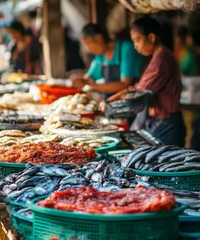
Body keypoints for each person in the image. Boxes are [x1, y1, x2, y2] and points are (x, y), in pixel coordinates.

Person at [108, 17, 186, 147]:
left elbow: (140, 91)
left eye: (138, 40)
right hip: (160, 120)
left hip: (166, 123)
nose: (135, 46)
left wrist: (111, 101)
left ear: (151, 38)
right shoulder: (158, 55)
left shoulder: (161, 58)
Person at [72, 23, 142, 98]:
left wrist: (93, 85)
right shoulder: (100, 56)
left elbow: (124, 84)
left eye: (88, 44)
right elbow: (89, 77)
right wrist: (81, 81)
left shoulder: (126, 48)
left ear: (98, 38)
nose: (88, 49)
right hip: (111, 102)